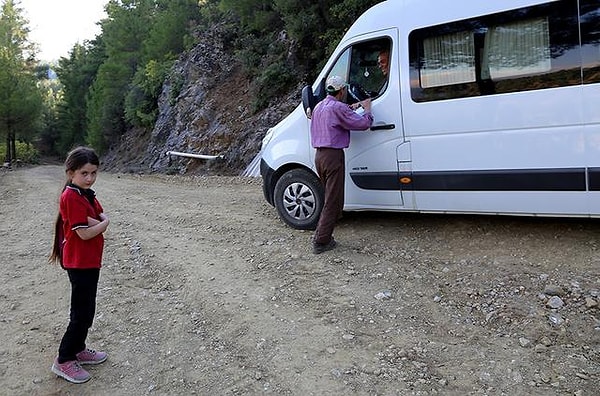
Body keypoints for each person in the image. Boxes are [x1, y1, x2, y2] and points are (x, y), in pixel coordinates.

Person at [48, 146, 110, 384]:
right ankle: (63, 359)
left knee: (87, 310)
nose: (90, 178)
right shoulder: (71, 196)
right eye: (84, 173)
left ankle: (78, 349)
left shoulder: (85, 193)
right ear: (70, 172)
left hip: (89, 261)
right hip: (79, 263)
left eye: (94, 173)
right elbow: (85, 233)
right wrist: (105, 224)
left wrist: (99, 222)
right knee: (81, 314)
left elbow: (96, 216)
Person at [310, 75, 374, 254]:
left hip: (320, 156)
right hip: (333, 156)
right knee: (333, 199)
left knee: (330, 197)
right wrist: (367, 110)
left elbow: (337, 115)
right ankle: (321, 240)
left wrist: (350, 108)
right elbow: (361, 124)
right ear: (342, 90)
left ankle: (324, 234)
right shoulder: (338, 107)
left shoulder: (319, 107)